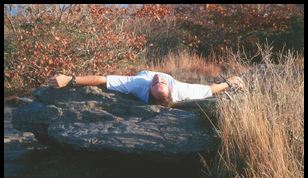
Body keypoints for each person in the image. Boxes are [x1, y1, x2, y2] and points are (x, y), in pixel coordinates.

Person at [48, 70, 243, 107]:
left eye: (156, 83)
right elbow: (209, 90)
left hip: (141, 74)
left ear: (149, 89)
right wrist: (230, 82)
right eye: (161, 82)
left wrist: (69, 80)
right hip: (163, 85)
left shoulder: (140, 84)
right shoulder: (181, 90)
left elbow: (102, 80)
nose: (158, 77)